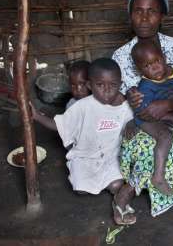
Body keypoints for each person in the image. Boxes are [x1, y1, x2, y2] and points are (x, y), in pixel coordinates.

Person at [112, 0, 173, 220]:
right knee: (143, 143)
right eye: (138, 11)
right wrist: (130, 109)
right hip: (140, 122)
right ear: (130, 15)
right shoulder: (120, 56)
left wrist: (168, 105)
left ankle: (131, 192)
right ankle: (127, 194)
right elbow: (117, 101)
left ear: (162, 16)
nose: (144, 17)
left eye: (152, 11)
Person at [31, 58, 135, 224]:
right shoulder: (82, 106)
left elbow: (132, 126)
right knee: (81, 189)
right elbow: (60, 125)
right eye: (100, 85)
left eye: (113, 85)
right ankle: (97, 182)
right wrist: (37, 116)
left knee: (116, 185)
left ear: (120, 84)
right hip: (85, 156)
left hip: (111, 156)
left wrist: (132, 127)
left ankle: (119, 202)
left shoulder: (125, 108)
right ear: (90, 86)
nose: (107, 90)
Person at [131, 40, 173, 195]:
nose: (154, 68)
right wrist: (168, 117)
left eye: (157, 61)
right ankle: (158, 176)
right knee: (165, 136)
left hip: (169, 113)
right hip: (147, 119)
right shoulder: (145, 87)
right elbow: (145, 111)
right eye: (147, 66)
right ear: (139, 70)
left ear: (164, 57)